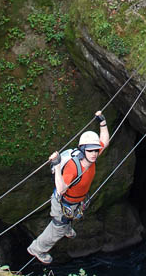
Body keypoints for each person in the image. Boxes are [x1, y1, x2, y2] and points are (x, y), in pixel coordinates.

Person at [27, 110, 109, 264]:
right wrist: (57, 166)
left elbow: (105, 140)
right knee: (58, 226)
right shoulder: (73, 167)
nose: (94, 153)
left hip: (76, 201)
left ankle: (66, 227)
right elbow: (61, 189)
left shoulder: (92, 157)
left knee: (73, 214)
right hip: (63, 202)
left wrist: (102, 122)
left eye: (96, 150)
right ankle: (37, 249)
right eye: (90, 150)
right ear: (83, 150)